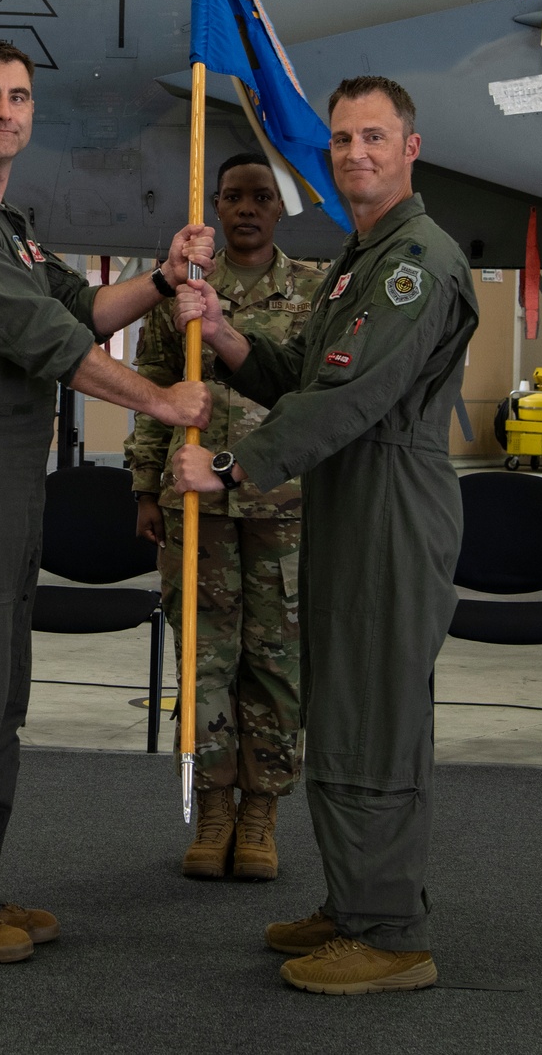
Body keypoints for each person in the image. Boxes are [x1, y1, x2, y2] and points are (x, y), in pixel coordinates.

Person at [0, 38, 212, 964]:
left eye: (19, 97)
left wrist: (167, 277)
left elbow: (78, 308)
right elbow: (40, 338)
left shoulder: (5, 221)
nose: (5, 111)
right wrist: (161, 402)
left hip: (3, 473)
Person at [173, 76, 478, 996]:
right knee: (341, 708)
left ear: (410, 148)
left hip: (390, 501)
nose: (355, 153)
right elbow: (308, 376)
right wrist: (227, 336)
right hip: (351, 496)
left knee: (374, 719)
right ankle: (356, 902)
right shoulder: (361, 258)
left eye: (374, 137)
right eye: (342, 139)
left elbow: (351, 398)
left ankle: (388, 933)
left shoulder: (413, 261)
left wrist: (231, 467)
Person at [125, 154, 326, 880]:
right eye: (233, 197)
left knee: (276, 665)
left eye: (261, 197)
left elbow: (316, 397)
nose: (247, 209)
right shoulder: (179, 292)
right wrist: (146, 488)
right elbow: (151, 394)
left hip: (284, 511)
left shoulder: (312, 289)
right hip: (193, 512)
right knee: (204, 661)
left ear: (280, 209)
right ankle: (212, 810)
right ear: (213, 206)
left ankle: (262, 813)